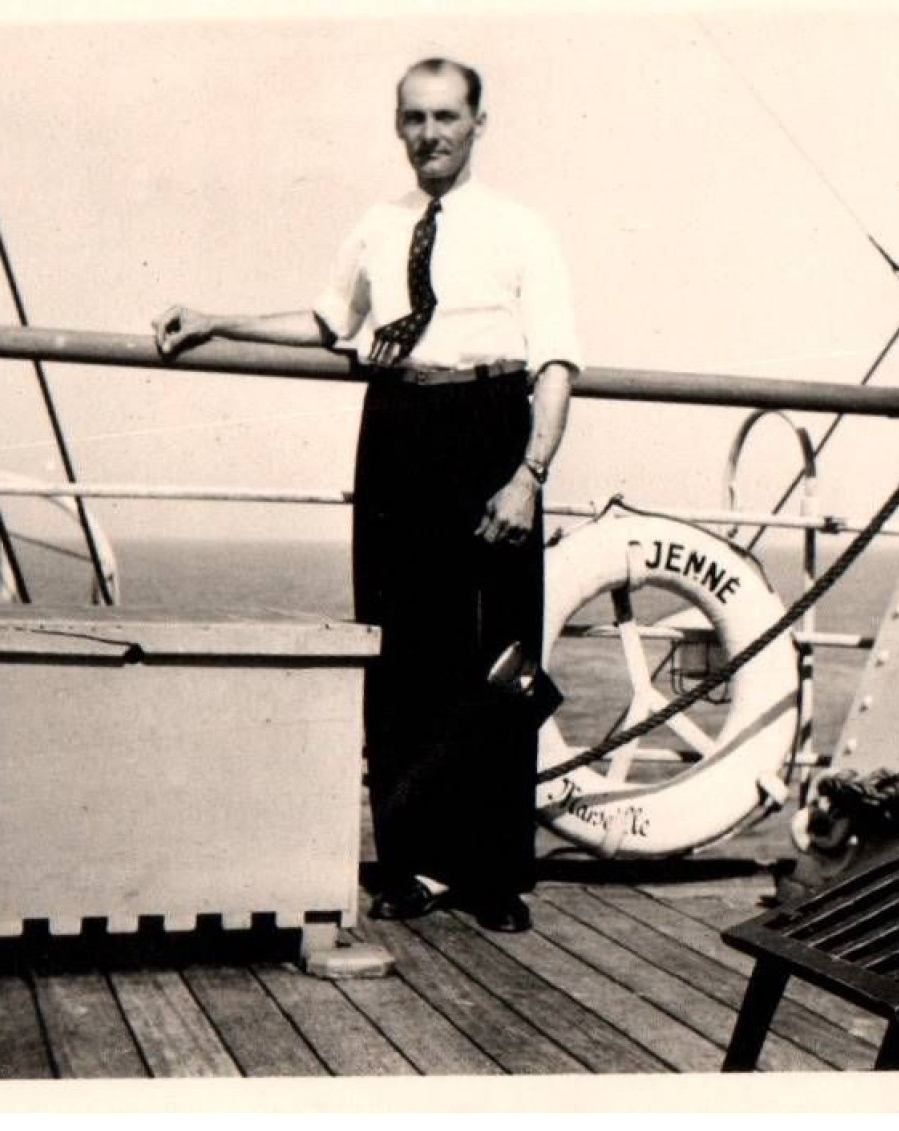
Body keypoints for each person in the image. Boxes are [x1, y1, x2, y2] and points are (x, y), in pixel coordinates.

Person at [153, 57, 580, 934]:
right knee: (401, 649)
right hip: (398, 427)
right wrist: (215, 319)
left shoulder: (520, 229)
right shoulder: (377, 225)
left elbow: (556, 364)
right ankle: (413, 863)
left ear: (478, 122)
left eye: (446, 117)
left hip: (491, 423)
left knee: (501, 654)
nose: (430, 135)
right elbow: (325, 322)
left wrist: (528, 476)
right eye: (413, 119)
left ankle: (492, 870)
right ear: (398, 127)